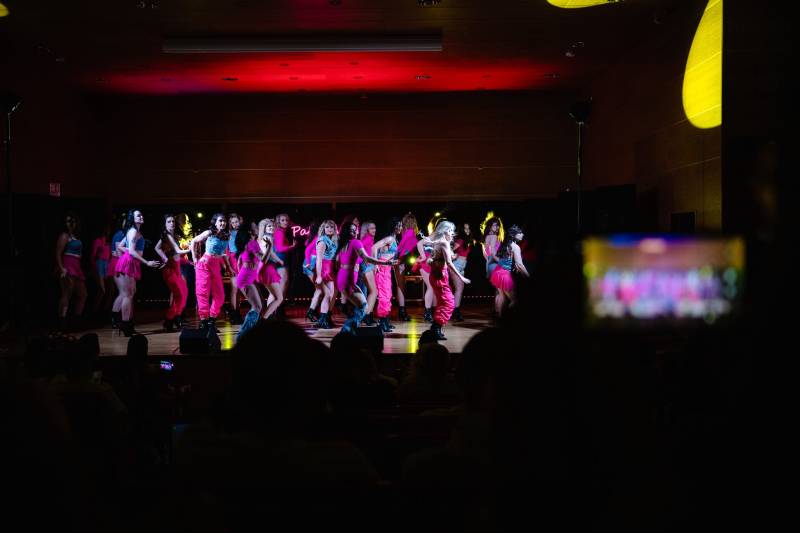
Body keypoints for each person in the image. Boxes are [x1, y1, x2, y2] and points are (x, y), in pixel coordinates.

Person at [335, 215, 397, 334]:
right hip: (349, 278)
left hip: (342, 278)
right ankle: (347, 330)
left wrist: (350, 267)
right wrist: (385, 262)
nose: (355, 232)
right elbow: (366, 258)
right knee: (363, 306)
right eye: (352, 230)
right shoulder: (355, 242)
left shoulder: (342, 243)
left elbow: (337, 263)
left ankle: (350, 328)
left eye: (355, 230)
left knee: (361, 305)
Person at [113, 209, 161, 336]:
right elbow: (132, 251)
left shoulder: (134, 231)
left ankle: (128, 324)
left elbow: (120, 246)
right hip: (129, 262)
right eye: (138, 215)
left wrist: (130, 251)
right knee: (127, 295)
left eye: (141, 215)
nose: (141, 216)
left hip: (131, 262)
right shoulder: (133, 231)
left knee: (131, 293)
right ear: (133, 219)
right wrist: (147, 262)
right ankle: (125, 325)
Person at [427, 221, 470, 340]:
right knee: (449, 303)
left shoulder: (438, 242)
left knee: (442, 303)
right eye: (450, 231)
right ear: (445, 231)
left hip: (437, 275)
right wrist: (461, 277)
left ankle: (436, 329)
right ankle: (436, 327)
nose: (452, 233)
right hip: (439, 276)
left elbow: (431, 259)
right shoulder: (444, 243)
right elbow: (450, 263)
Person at [191, 213, 232, 335]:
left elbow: (224, 253)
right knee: (203, 293)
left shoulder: (226, 236)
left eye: (224, 221)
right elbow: (193, 241)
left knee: (220, 296)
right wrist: (194, 258)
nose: (223, 223)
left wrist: (228, 267)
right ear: (215, 222)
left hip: (216, 266)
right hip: (204, 265)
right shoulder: (209, 233)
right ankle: (204, 322)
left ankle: (211, 321)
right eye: (220, 221)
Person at [155, 214, 191, 331]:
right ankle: (169, 319)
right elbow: (177, 251)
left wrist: (187, 261)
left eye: (173, 221)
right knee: (179, 294)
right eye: (169, 222)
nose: (172, 223)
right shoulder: (167, 235)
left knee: (184, 293)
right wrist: (191, 247)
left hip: (176, 268)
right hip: (169, 269)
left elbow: (158, 248)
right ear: (165, 224)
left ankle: (175, 317)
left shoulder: (172, 235)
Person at [55, 212, 87, 330]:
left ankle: (76, 321)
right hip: (68, 265)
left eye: (71, 221)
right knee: (66, 294)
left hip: (76, 265)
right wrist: (62, 268)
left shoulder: (76, 236)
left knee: (83, 295)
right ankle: (62, 322)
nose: (69, 223)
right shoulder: (64, 236)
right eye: (67, 221)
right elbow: (58, 253)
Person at [490, 225, 530, 317]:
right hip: (504, 274)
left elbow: (503, 260)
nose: (522, 234)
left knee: (501, 296)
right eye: (520, 233)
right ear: (514, 234)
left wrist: (511, 265)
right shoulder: (515, 247)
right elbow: (520, 264)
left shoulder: (504, 244)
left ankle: (498, 318)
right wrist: (528, 277)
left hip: (497, 272)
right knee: (514, 300)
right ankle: (510, 320)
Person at [372, 219, 401, 333]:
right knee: (384, 295)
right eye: (398, 225)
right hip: (382, 268)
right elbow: (374, 247)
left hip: (387, 268)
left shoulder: (394, 239)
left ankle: (385, 321)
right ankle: (382, 322)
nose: (400, 228)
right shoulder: (389, 238)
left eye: (401, 226)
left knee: (388, 294)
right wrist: (375, 264)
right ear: (394, 227)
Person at [313, 220, 338, 330]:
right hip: (324, 268)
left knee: (332, 294)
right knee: (328, 294)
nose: (329, 229)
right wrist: (319, 275)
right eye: (327, 227)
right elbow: (319, 259)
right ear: (323, 229)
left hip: (330, 267)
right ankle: (322, 319)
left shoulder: (333, 240)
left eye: (332, 227)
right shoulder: (322, 240)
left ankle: (326, 318)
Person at [450, 222, 474, 322]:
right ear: (462, 230)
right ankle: (456, 312)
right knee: (459, 289)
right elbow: (449, 249)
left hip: (462, 265)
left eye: (468, 228)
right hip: (456, 264)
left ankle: (455, 311)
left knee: (459, 289)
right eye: (465, 228)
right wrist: (453, 255)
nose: (467, 230)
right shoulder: (460, 240)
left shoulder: (466, 241)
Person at [224, 213, 244, 325]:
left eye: (237, 221)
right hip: (233, 259)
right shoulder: (229, 234)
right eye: (233, 222)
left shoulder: (242, 233)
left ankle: (237, 312)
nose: (235, 224)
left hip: (242, 259)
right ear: (230, 224)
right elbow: (226, 252)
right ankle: (233, 313)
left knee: (240, 289)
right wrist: (229, 266)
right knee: (234, 288)